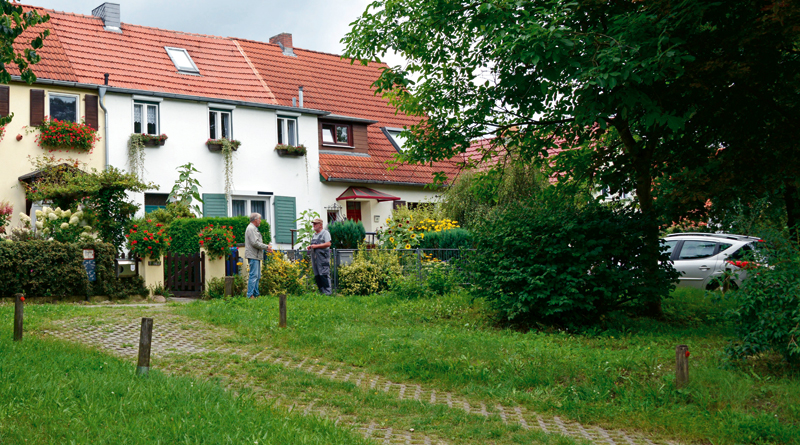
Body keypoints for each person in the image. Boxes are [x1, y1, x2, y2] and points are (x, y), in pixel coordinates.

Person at [245, 212, 271, 298]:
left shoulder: (253, 228)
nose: (260, 221)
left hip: (255, 255)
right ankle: (250, 295)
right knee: (254, 276)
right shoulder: (251, 228)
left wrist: (266, 247)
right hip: (253, 255)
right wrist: (266, 247)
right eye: (259, 219)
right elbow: (254, 243)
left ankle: (256, 294)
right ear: (256, 220)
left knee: (257, 276)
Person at [307, 217, 332, 295]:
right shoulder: (314, 235)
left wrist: (316, 246)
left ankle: (328, 292)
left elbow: (328, 244)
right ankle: (322, 292)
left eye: (315, 224)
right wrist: (310, 246)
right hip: (315, 259)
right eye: (313, 224)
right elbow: (314, 245)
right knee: (317, 275)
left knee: (324, 274)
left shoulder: (325, 233)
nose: (313, 225)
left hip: (323, 258)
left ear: (320, 225)